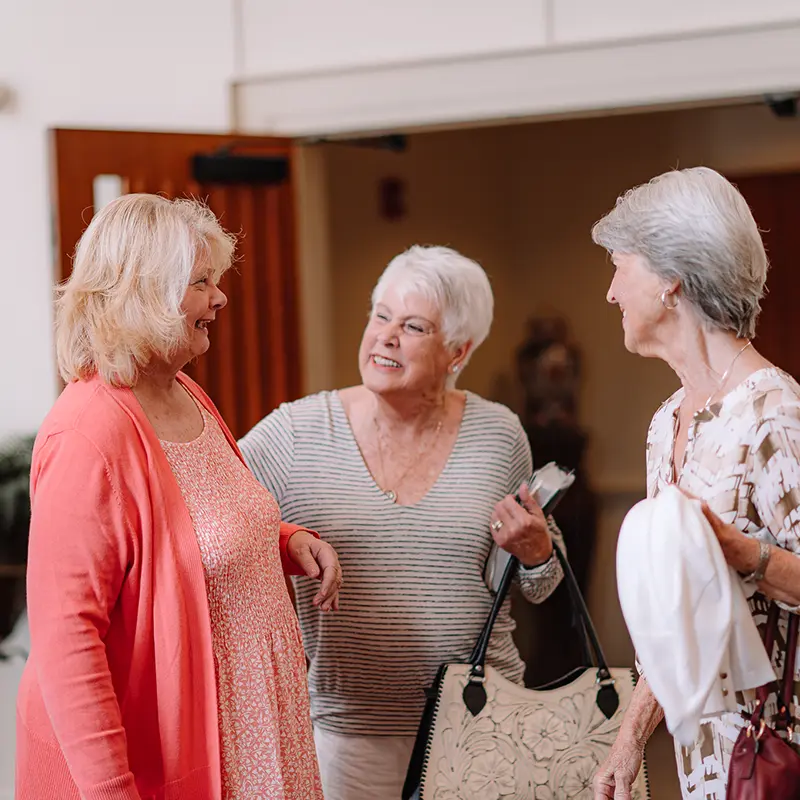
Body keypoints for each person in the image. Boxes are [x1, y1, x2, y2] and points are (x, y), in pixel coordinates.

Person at [15, 194, 341, 800]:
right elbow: (66, 643)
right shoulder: (88, 433)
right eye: (200, 283)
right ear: (146, 294)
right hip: (178, 750)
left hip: (259, 729)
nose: (219, 299)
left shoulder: (184, 392)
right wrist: (112, 792)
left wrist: (287, 543)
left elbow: (192, 528)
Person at [239, 244, 565, 800]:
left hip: (479, 724)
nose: (386, 336)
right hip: (346, 733)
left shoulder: (498, 435)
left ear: (457, 352)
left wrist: (537, 552)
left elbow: (537, 584)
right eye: (380, 315)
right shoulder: (296, 434)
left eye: (413, 326)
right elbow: (212, 516)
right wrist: (288, 539)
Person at [590, 167, 800, 800]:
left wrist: (745, 556)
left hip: (777, 748)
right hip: (706, 761)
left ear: (669, 280)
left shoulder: (774, 415)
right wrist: (628, 746)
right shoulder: (667, 423)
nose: (609, 293)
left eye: (619, 268)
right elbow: (674, 621)